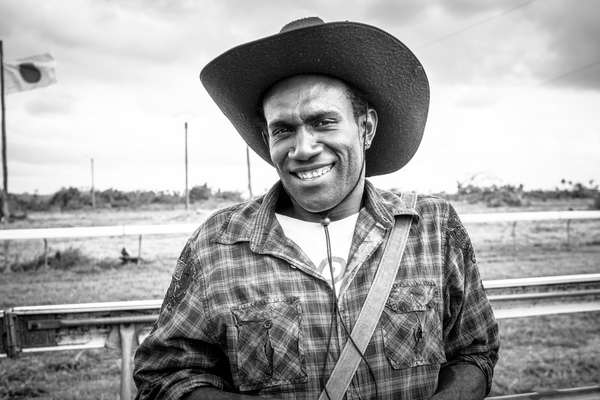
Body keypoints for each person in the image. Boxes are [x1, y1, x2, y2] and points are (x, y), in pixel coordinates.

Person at [133, 17, 499, 400]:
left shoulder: (432, 227)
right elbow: (165, 375)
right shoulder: (218, 244)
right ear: (267, 138)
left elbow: (474, 351)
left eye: (323, 122)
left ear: (366, 128)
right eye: (283, 130)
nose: (303, 148)